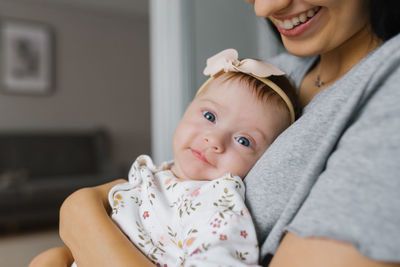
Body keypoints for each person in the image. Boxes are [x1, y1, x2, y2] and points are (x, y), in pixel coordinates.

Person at [30, 48, 298, 267]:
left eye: (243, 140)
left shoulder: (217, 203)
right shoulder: (160, 174)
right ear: (187, 110)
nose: (214, 141)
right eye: (209, 116)